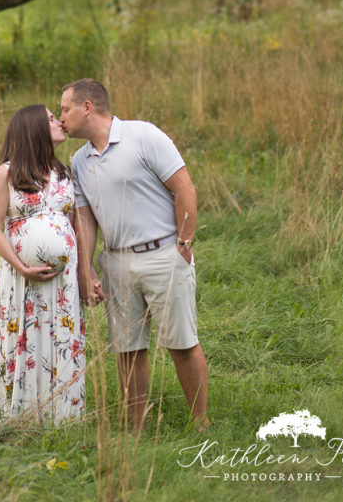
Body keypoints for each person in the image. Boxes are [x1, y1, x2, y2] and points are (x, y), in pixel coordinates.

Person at [60, 79, 209, 431]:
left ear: (86, 107)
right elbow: (86, 219)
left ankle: (200, 424)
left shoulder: (143, 136)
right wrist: (87, 270)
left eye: (65, 109)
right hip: (116, 262)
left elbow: (184, 188)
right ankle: (136, 427)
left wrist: (184, 246)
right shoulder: (78, 161)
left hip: (163, 255)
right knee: (127, 349)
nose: (61, 117)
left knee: (181, 343)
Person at [0, 104, 85, 422]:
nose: (60, 121)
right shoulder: (7, 173)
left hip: (63, 280)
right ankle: (23, 415)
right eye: (51, 119)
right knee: (27, 338)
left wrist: (85, 271)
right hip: (21, 278)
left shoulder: (65, 173)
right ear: (34, 129)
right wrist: (21, 266)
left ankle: (63, 415)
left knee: (61, 336)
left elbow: (75, 224)